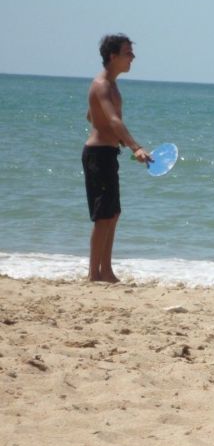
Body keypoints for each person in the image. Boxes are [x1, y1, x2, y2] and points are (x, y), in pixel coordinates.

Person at [82, 34, 151, 282]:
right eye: (128, 52)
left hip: (108, 152)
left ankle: (106, 271)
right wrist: (135, 147)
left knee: (113, 213)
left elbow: (91, 117)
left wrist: (116, 138)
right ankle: (94, 274)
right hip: (98, 155)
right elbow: (112, 120)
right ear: (113, 56)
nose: (132, 57)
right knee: (103, 216)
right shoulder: (102, 85)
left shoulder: (110, 85)